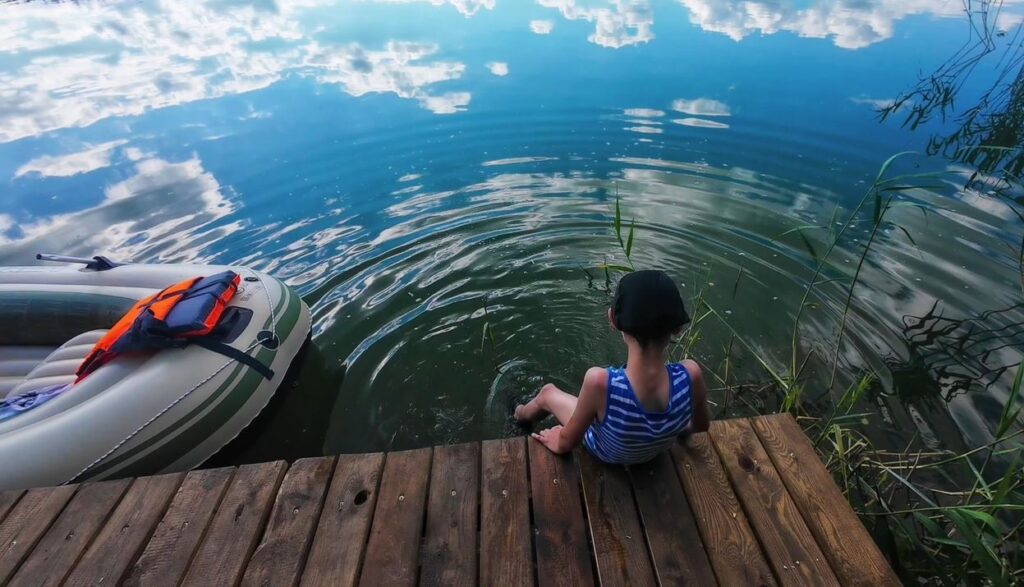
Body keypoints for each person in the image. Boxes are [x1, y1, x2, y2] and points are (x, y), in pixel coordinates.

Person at [514, 269, 710, 464]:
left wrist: (557, 440)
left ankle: (520, 414)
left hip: (606, 453)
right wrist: (669, 425)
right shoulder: (691, 376)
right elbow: (700, 425)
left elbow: (567, 443)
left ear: (614, 320)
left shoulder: (601, 382)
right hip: (653, 454)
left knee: (548, 393)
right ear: (677, 328)